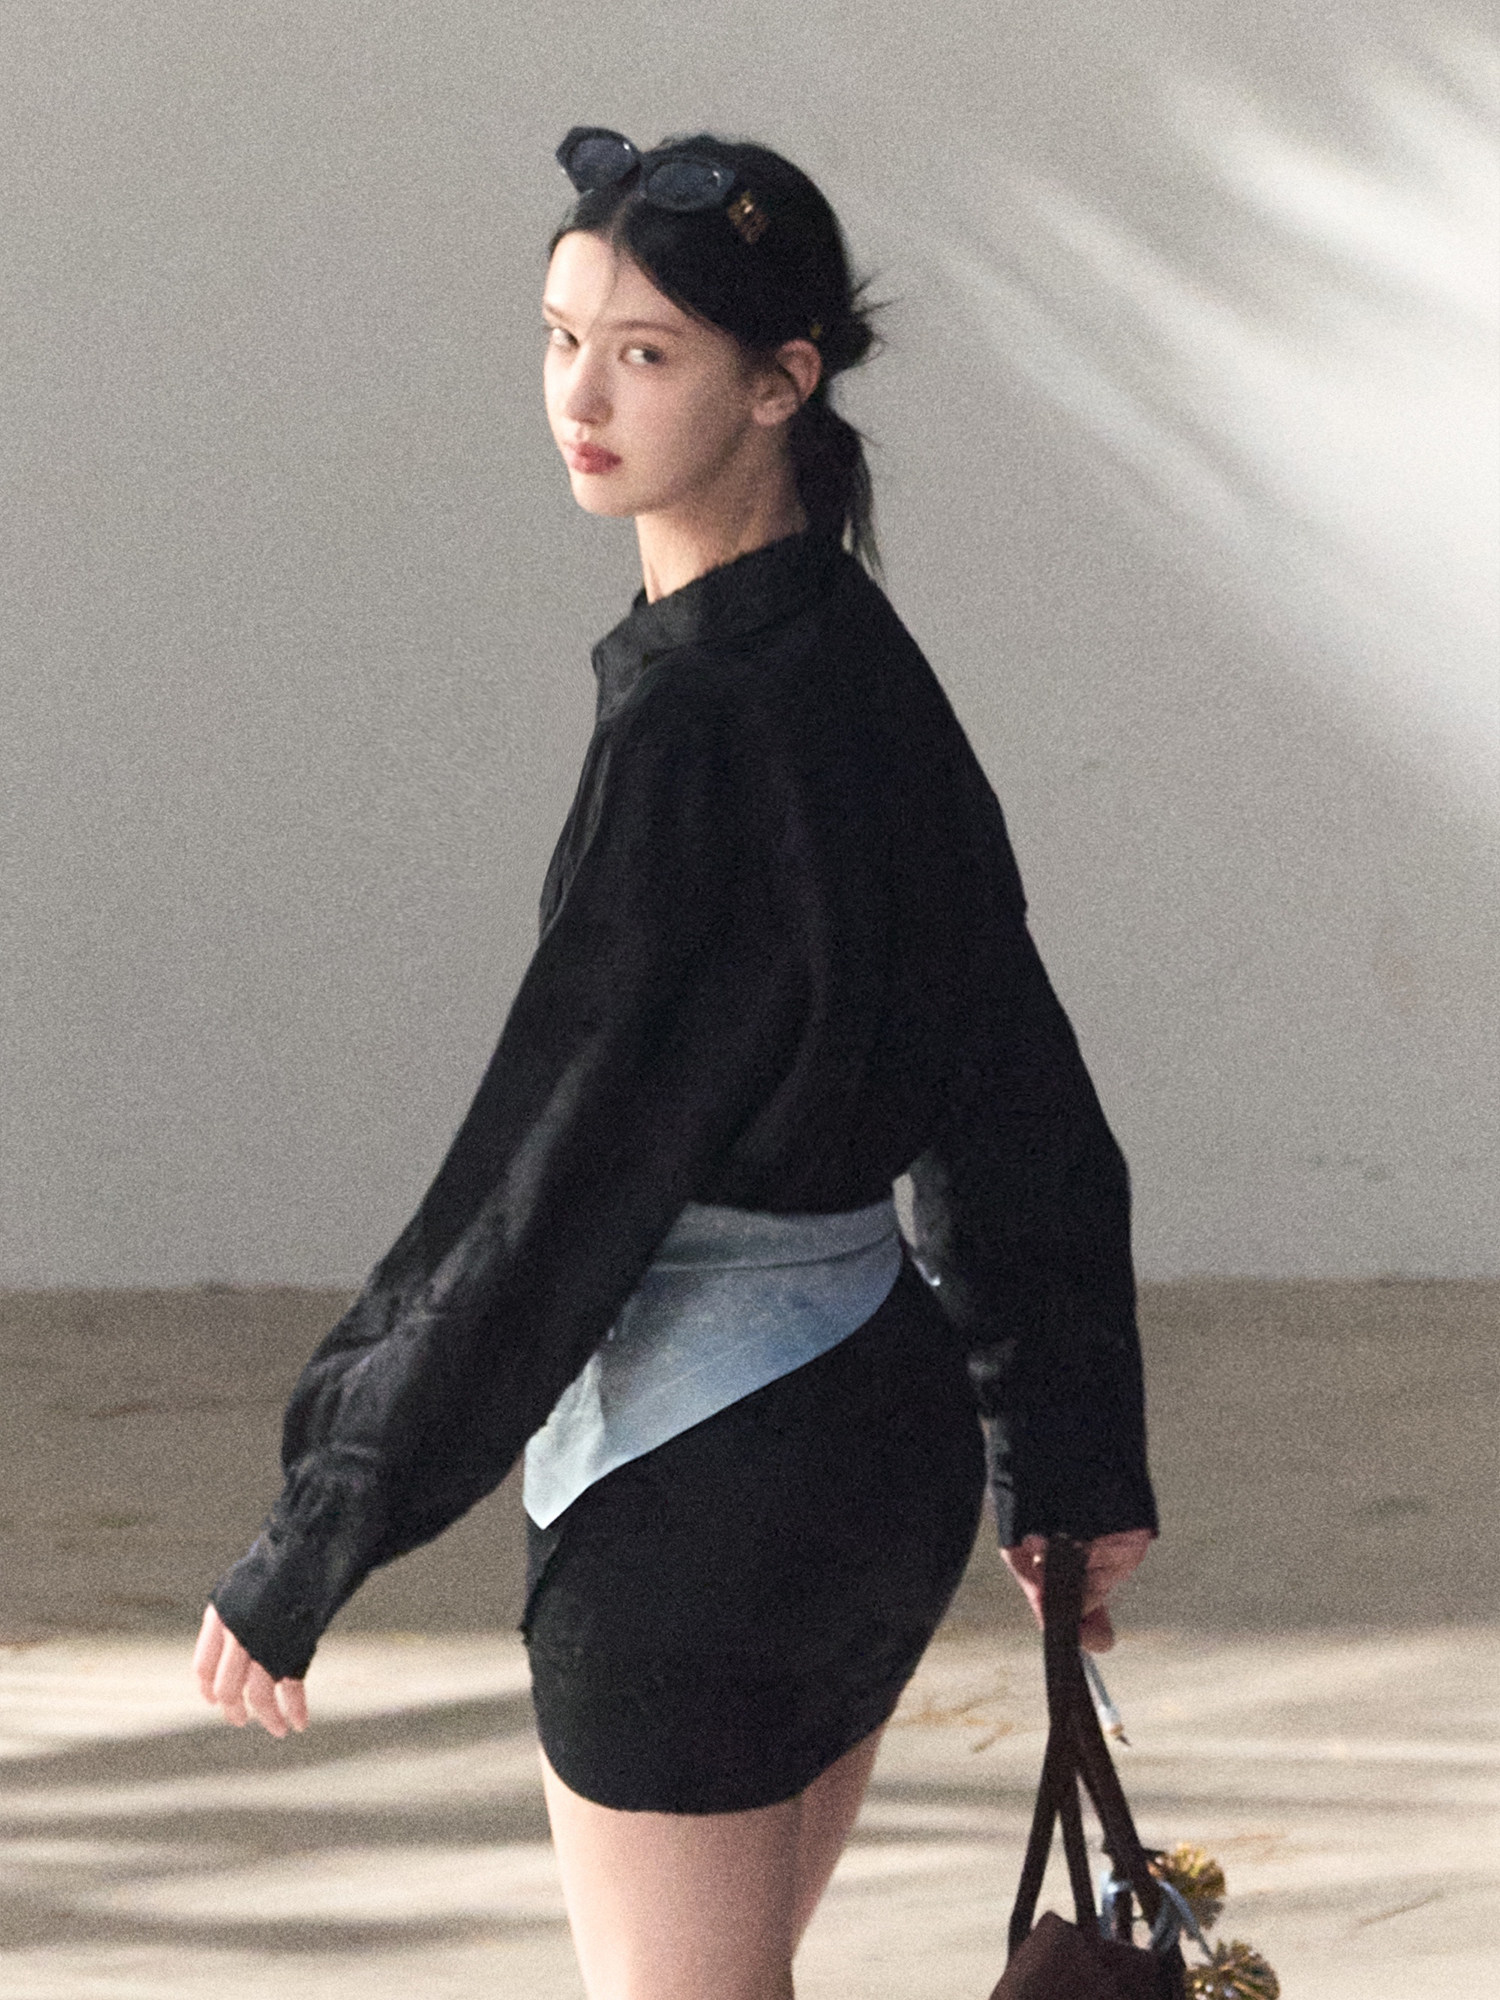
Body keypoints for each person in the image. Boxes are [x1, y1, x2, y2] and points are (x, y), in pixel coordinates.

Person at [193, 127, 1158, 2000]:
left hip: (703, 1488)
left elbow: (552, 1180)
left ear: (781, 382)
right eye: (562, 337)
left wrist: (325, 1521)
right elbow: (1014, 1082)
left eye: (645, 354)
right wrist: (1065, 1452)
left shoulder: (699, 727)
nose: (581, 396)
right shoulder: (856, 656)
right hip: (877, 1438)